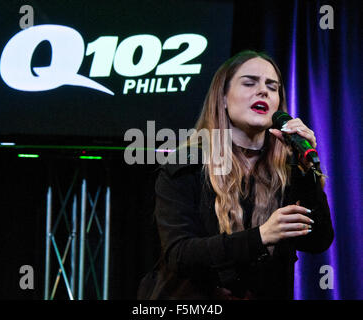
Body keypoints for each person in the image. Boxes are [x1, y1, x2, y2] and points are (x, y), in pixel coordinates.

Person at [137, 50, 334, 300]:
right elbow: (180, 254)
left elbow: (317, 241)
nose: (263, 91)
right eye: (249, 83)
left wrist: (306, 173)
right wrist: (261, 236)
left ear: (278, 105)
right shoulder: (186, 165)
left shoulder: (288, 169)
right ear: (223, 99)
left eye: (272, 87)